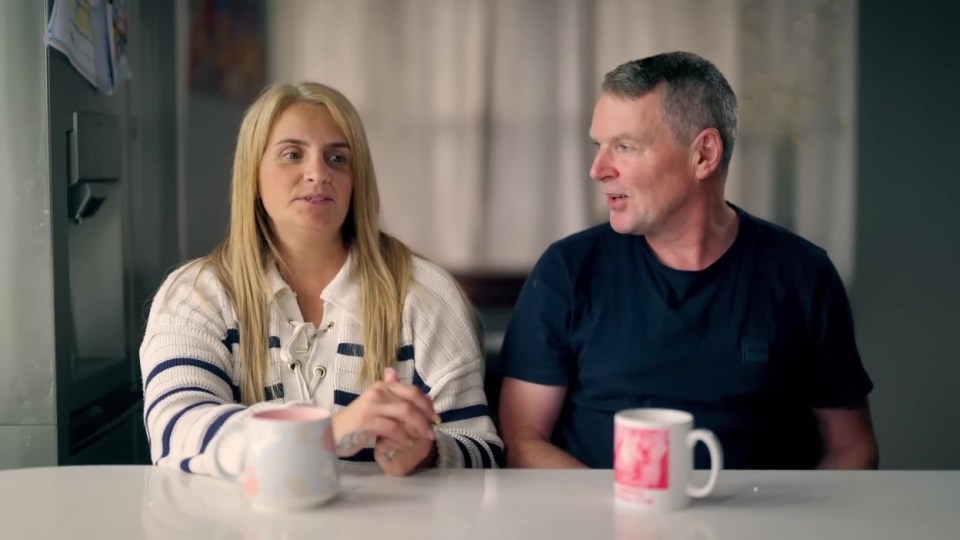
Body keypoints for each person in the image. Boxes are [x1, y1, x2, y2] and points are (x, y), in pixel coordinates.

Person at [498, 52, 878, 470]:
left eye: (625, 146)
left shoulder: (803, 276)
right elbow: (522, 440)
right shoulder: (566, 271)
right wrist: (621, 518)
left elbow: (851, 448)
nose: (598, 169)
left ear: (703, 154)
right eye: (598, 146)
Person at [141, 82, 502, 477]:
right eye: (292, 155)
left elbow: (484, 451)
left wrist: (430, 452)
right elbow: (175, 431)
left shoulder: (426, 293)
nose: (318, 173)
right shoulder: (195, 296)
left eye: (337, 158)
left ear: (356, 181)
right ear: (253, 176)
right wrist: (330, 431)